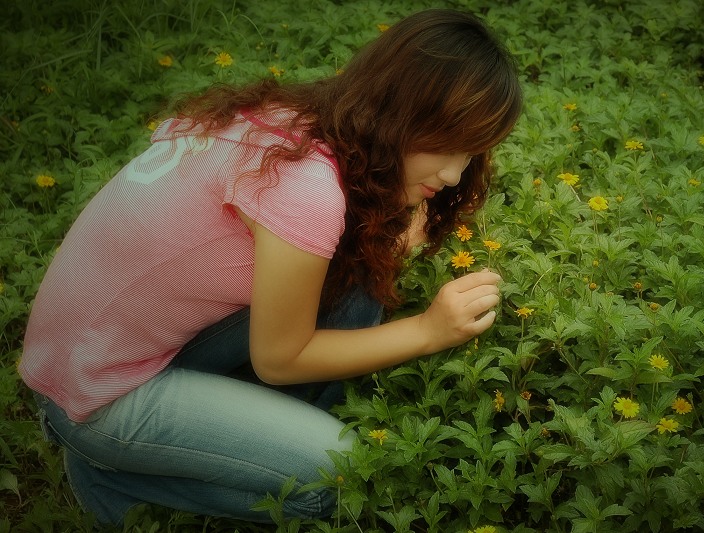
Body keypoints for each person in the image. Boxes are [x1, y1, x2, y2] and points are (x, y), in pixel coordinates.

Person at [18, 8, 522, 527]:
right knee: (342, 471)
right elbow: (279, 360)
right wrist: (428, 331)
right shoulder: (307, 187)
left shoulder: (293, 122)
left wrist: (394, 237)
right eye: (444, 144)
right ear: (399, 112)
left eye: (470, 152)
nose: (454, 172)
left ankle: (251, 438)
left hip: (96, 348)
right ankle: (114, 475)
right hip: (99, 390)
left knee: (359, 276)